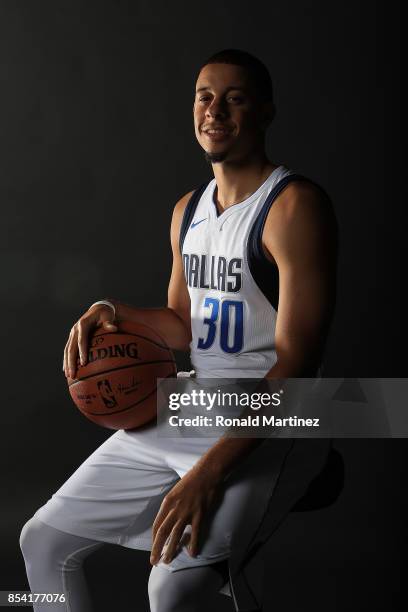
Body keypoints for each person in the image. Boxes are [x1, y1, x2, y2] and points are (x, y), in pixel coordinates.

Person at [20, 49, 337, 612]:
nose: (214, 110)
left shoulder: (293, 207)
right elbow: (183, 327)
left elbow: (298, 369)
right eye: (204, 96)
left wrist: (208, 473)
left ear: (264, 113)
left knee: (171, 588)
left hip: (275, 423)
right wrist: (110, 308)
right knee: (42, 540)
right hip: (194, 404)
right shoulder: (188, 210)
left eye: (233, 98)